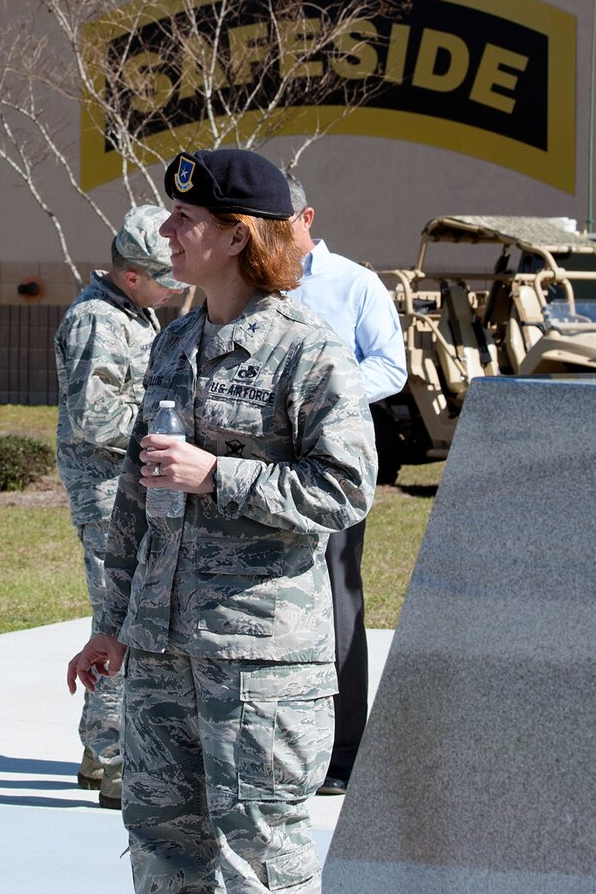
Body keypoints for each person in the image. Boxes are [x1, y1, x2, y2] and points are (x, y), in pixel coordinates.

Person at [66, 148, 376, 894]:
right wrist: (111, 622)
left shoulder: (307, 351)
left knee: (258, 867)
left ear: (238, 236)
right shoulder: (173, 340)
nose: (166, 230)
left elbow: (346, 487)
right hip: (162, 652)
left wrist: (219, 475)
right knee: (162, 854)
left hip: (257, 661)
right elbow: (138, 500)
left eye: (187, 218)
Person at [54, 204, 188, 809]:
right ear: (132, 275)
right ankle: (113, 762)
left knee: (120, 618)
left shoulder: (134, 315)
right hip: (108, 494)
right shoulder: (98, 323)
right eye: (166, 277)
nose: (175, 288)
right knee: (119, 623)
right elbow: (94, 420)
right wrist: (167, 428)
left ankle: (100, 747)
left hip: (128, 490)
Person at [285, 173, 407, 796]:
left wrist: (326, 391)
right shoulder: (253, 284)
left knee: (338, 598)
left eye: (283, 221)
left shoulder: (354, 284)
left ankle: (344, 754)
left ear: (307, 218)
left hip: (332, 463)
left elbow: (391, 364)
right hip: (263, 468)